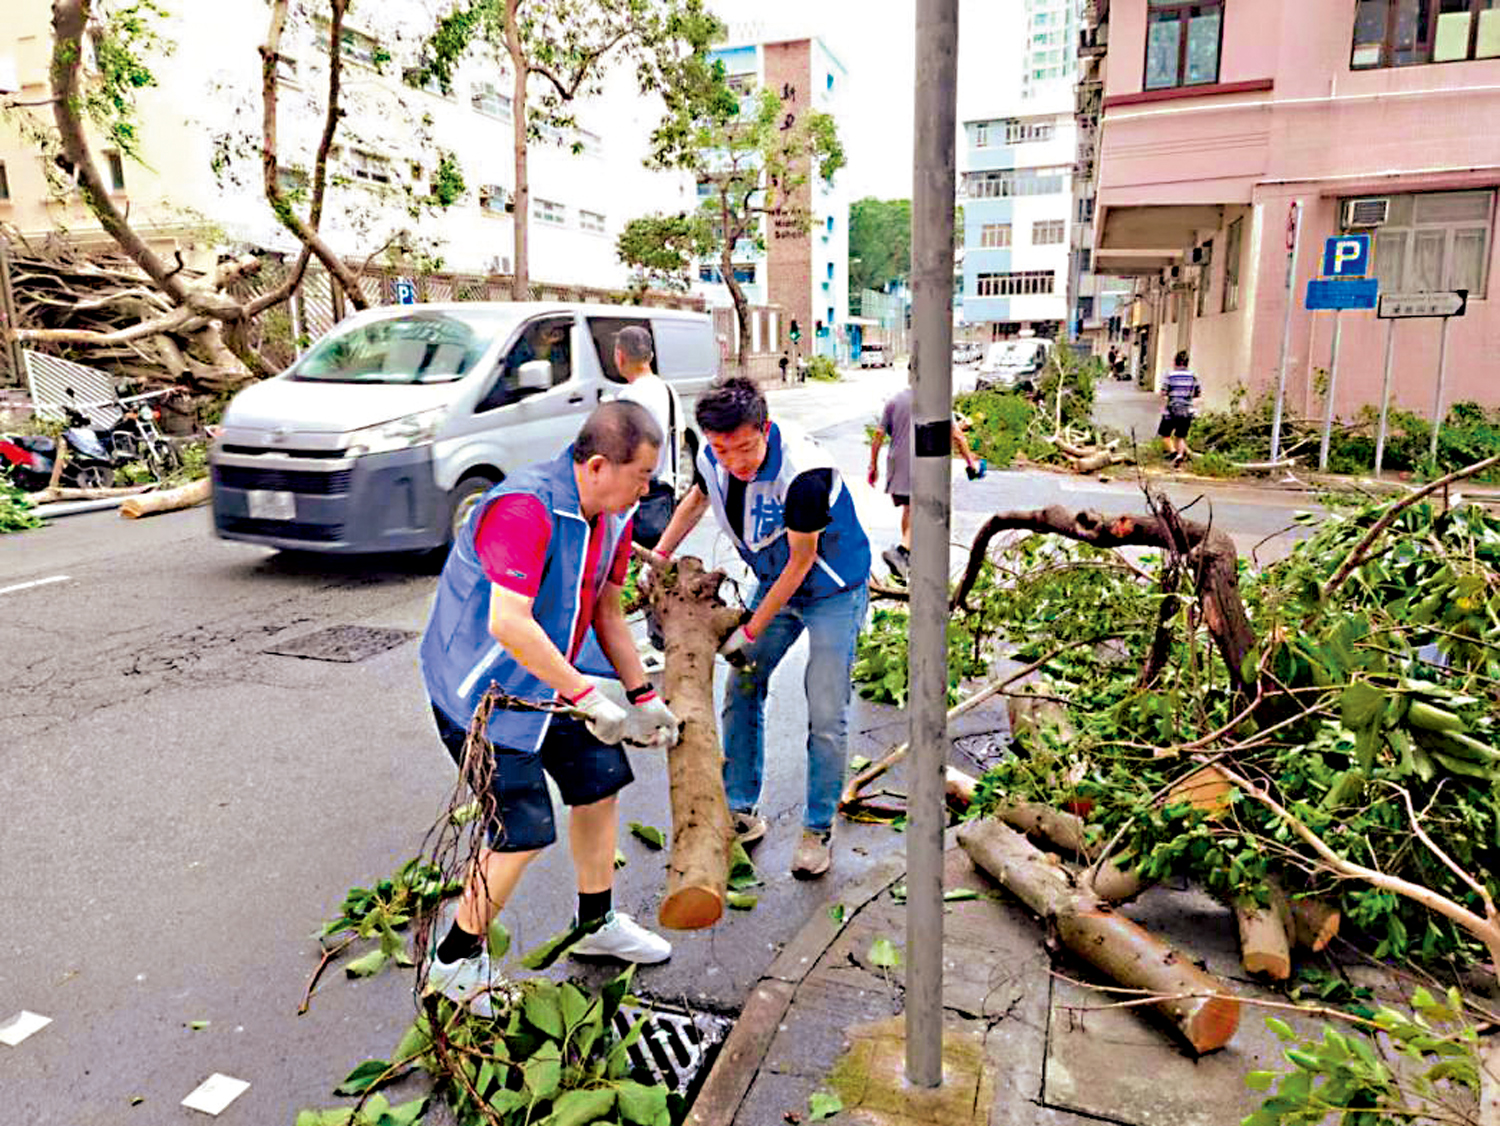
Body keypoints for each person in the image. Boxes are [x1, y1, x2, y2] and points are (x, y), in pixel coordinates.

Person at [419, 401, 682, 1016]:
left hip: (552, 683)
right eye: (641, 476)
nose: (648, 489)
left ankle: (596, 922)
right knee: (523, 827)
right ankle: (454, 962)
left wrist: (643, 696)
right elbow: (508, 623)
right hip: (481, 693)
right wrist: (588, 695)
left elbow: (607, 612)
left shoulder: (614, 519)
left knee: (600, 782)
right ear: (596, 465)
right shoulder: (524, 508)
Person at [650, 376, 870, 879]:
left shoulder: (803, 475)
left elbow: (800, 565)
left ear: (764, 429)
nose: (735, 461)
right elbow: (698, 497)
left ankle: (817, 828)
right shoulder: (715, 457)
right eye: (721, 449)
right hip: (775, 582)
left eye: (745, 448)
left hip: (831, 591)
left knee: (825, 709)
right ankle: (741, 807)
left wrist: (748, 633)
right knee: (743, 684)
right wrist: (661, 553)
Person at [867, 385, 985, 582]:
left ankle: (906, 561)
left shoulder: (894, 401)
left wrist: (873, 465)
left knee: (909, 509)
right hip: (923, 465)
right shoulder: (937, 401)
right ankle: (902, 551)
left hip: (898, 464)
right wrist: (971, 463)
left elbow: (879, 434)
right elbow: (955, 435)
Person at [611, 326, 680, 549]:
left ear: (619, 356)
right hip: (665, 499)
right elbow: (679, 438)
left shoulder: (629, 397)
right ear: (650, 356)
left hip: (637, 502)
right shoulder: (668, 390)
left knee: (632, 572)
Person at [1158, 349, 1201, 468]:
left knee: (1165, 434)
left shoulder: (1170, 375)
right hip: (1186, 410)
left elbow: (1164, 393)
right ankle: (1180, 455)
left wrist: (1164, 407)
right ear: (1187, 363)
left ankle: (1173, 453)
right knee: (1180, 436)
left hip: (1171, 409)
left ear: (1175, 362)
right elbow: (1197, 393)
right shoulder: (1193, 376)